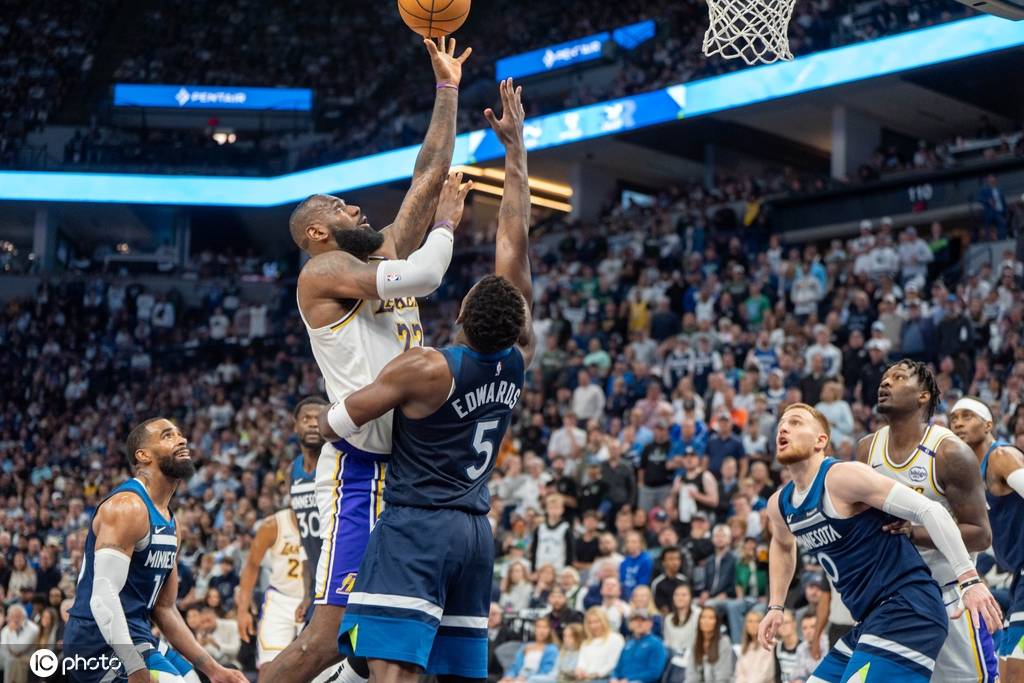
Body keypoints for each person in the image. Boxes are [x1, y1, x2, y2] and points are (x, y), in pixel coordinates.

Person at [263, 35, 473, 683]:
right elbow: (425, 277)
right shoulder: (323, 270)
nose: (355, 207)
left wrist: (446, 89)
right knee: (327, 638)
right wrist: (446, 225)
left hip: (406, 469)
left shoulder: (375, 252)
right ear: (317, 232)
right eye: (339, 206)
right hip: (360, 469)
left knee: (392, 633)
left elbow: (428, 173)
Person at [328, 78, 534, 682]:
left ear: (462, 313)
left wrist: (333, 421)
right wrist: (516, 152)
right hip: (474, 532)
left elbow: (339, 423)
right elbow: (514, 241)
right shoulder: (518, 358)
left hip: (418, 523)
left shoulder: (426, 368)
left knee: (392, 674)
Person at [758, 403, 1002, 682]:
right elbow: (782, 545)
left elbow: (929, 510)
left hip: (909, 607)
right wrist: (775, 606)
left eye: (796, 422)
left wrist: (969, 579)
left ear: (820, 441)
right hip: (872, 618)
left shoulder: (841, 477)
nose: (784, 428)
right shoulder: (779, 504)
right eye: (781, 424)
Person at [63, 418, 247, 683]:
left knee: (193, 679)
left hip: (138, 633)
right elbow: (102, 597)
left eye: (180, 434)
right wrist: (134, 667)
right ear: (143, 455)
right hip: (95, 640)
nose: (182, 440)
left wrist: (214, 669)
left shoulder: (172, 524)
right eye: (168, 435)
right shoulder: (127, 507)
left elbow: (165, 609)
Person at [857, 359, 998, 682]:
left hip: (949, 595)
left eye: (898, 377)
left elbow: (981, 535)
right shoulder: (867, 449)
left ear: (923, 396)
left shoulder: (950, 453)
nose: (885, 383)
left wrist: (914, 532)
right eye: (885, 377)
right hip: (895, 599)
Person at [950, 397, 1024, 681]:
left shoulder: (1001, 456)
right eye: (954, 418)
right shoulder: (968, 475)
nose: (958, 423)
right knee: (1006, 672)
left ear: (988, 425)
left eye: (967, 416)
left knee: (1013, 673)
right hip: (1017, 575)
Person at [236, 509, 305, 667]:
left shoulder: (329, 521)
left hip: (315, 600)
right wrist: (242, 610)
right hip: (280, 599)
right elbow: (252, 565)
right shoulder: (272, 525)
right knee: (269, 667)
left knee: (318, 669)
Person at [288, 396, 328, 626]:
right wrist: (306, 595)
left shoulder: (339, 462)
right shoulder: (293, 470)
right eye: (306, 419)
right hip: (317, 585)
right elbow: (305, 541)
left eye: (319, 418)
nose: (313, 424)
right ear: (295, 425)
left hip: (341, 578)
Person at [610, 612, 668, 683]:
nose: (639, 623)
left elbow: (654, 673)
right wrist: (614, 678)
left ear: (650, 623)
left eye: (643, 620)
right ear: (631, 624)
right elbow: (617, 668)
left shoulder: (656, 643)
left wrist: (628, 680)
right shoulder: (628, 644)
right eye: (635, 620)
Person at [499, 617, 560, 683]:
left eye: (545, 627)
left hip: (534, 679)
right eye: (539, 627)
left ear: (549, 630)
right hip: (519, 677)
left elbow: (545, 671)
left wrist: (526, 678)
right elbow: (515, 666)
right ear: (534, 629)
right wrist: (509, 676)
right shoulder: (527, 646)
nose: (541, 630)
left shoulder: (552, 649)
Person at [575, 607, 625, 681]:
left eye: (596, 622)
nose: (593, 626)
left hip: (606, 679)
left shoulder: (615, 639)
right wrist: (579, 670)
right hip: (586, 679)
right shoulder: (586, 643)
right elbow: (581, 662)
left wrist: (595, 674)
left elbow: (613, 664)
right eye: (590, 623)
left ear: (604, 621)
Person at [686, 607, 734, 682]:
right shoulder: (695, 642)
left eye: (711, 618)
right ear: (699, 621)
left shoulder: (724, 642)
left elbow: (723, 677)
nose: (706, 621)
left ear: (716, 622)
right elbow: (691, 675)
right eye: (703, 617)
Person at [663, 585, 699, 683]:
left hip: (691, 656)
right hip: (673, 656)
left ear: (690, 597)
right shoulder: (668, 619)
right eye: (677, 595)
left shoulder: (698, 614)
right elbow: (667, 642)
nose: (680, 598)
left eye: (684, 595)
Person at [734, 608, 773, 683]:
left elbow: (766, 674)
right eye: (750, 621)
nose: (753, 625)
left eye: (757, 621)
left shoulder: (769, 644)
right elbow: (739, 673)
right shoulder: (745, 647)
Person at [1, 604, 38, 683]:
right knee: (11, 661)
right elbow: (3, 650)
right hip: (10, 663)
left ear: (23, 617)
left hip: (27, 663)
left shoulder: (33, 629)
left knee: (13, 662)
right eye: (11, 617)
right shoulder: (6, 629)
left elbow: (18, 648)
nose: (14, 620)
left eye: (17, 617)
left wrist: (12, 632)